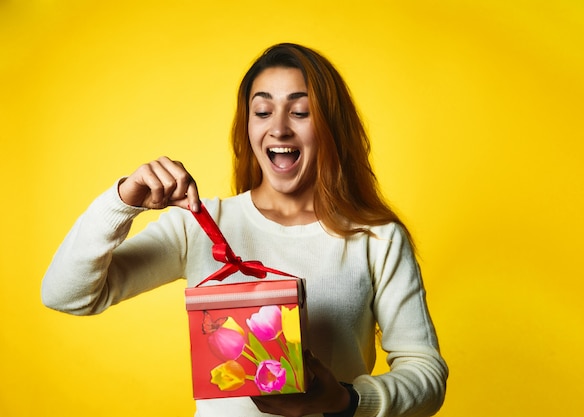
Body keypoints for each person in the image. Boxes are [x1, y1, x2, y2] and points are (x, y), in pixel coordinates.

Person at [42, 43, 448, 417]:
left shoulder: (376, 238)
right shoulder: (201, 223)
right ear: (248, 126)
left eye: (300, 112)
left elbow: (426, 373)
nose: (280, 128)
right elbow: (66, 295)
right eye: (263, 111)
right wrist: (121, 202)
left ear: (330, 126)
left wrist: (345, 400)